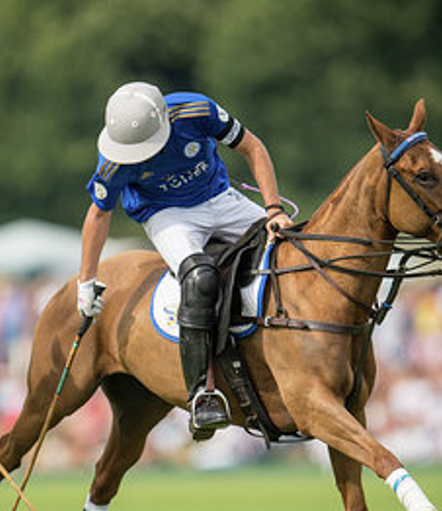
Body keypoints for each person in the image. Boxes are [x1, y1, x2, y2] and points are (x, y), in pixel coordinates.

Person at [77, 81, 289, 437]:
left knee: (286, 247)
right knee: (200, 278)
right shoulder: (114, 159)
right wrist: (86, 281)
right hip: (167, 215)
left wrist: (274, 209)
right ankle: (202, 396)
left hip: (219, 197)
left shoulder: (196, 111)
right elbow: (98, 215)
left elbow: (252, 147)